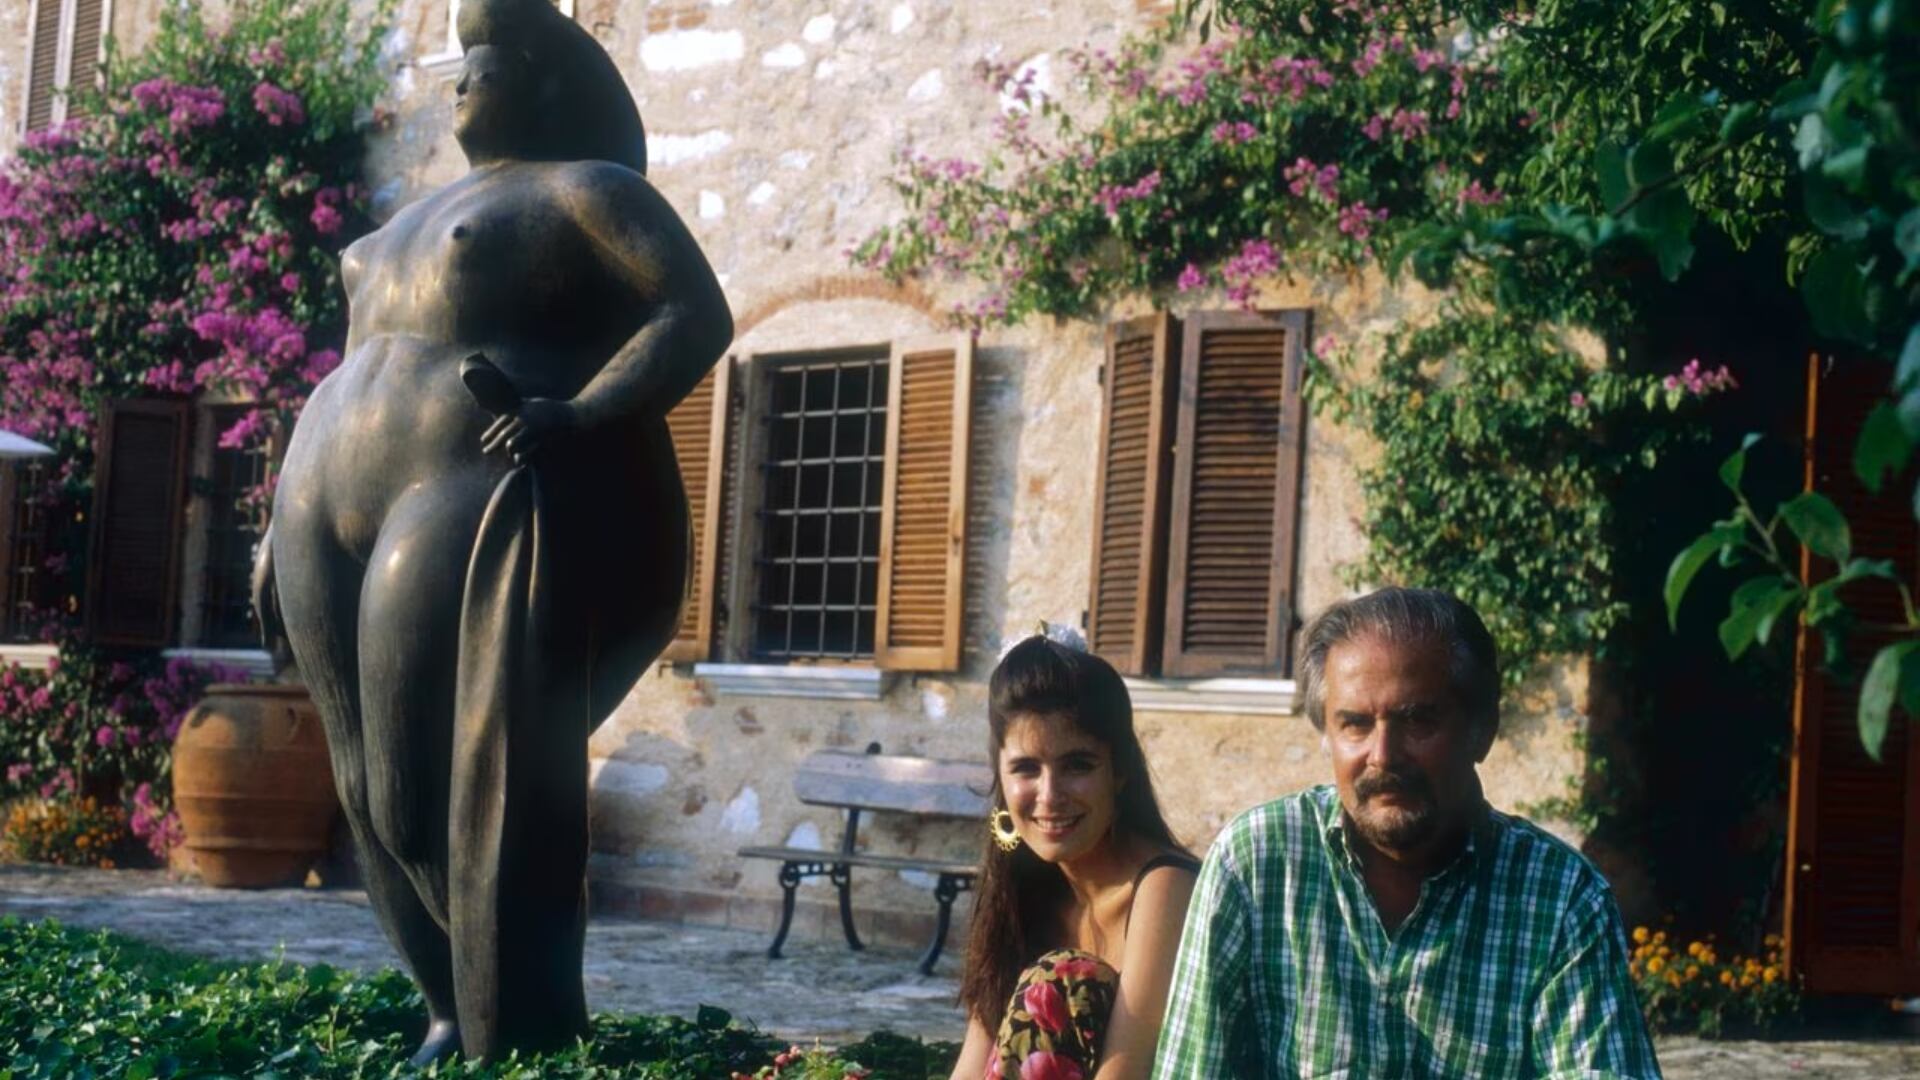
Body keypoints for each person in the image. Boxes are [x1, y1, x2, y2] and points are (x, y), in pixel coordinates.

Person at [257, 0, 731, 1063]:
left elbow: (692, 314)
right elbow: (352, 363)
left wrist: (584, 413)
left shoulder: (587, 191)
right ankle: (444, 1005)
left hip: (463, 486)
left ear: (552, 83)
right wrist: (263, 534)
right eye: (457, 62)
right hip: (320, 503)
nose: (461, 80)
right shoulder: (405, 226)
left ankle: (519, 1025)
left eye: (491, 61)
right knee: (364, 781)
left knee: (446, 771)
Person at [1153, 588, 1661, 1078]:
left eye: (1417, 720)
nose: (1383, 756)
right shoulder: (1255, 864)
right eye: (1354, 724)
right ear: (1327, 734)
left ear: (1482, 729)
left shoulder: (1560, 897)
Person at [949, 634, 1200, 1080]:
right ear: (1001, 778)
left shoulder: (1164, 887)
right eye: (1026, 768)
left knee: (1060, 978)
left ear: (1118, 772)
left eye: (1078, 765)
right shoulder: (1024, 895)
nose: (1049, 797)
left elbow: (1125, 1073)